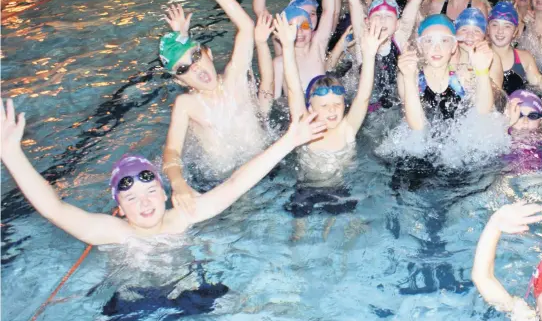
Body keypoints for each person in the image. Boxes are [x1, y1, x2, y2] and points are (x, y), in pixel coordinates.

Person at [0, 97, 326, 245]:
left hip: (188, 287)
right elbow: (53, 208)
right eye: (131, 198)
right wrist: (12, 155)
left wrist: (288, 141)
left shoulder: (182, 215)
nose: (144, 204)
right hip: (134, 299)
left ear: (164, 192)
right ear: (119, 208)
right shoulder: (114, 234)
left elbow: (236, 183)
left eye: (150, 191)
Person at [160, 0, 273, 201]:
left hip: (268, 171)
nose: (195, 67)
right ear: (181, 82)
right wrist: (178, 183)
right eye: (184, 69)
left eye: (197, 56)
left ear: (209, 53)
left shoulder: (235, 78)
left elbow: (246, 26)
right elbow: (171, 151)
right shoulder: (187, 105)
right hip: (220, 186)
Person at [274, 13, 383, 221]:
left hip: (339, 189)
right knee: (299, 228)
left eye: (337, 105)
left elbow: (363, 96)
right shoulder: (305, 127)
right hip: (305, 188)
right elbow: (294, 89)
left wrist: (369, 56)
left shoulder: (348, 128)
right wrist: (288, 48)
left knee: (341, 226)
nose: (332, 111)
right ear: (310, 108)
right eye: (324, 106)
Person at [331, 0, 443, 111]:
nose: (383, 21)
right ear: (367, 21)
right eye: (378, 16)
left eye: (388, 16)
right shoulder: (363, 41)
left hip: (396, 109)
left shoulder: (399, 37)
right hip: (365, 111)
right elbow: (353, 0)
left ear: (397, 23)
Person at [397, 14, 495, 129]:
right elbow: (417, 128)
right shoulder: (409, 75)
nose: (437, 48)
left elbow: (483, 116)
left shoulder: (463, 74)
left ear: (454, 46)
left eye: (444, 40)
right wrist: (408, 78)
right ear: (420, 46)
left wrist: (482, 71)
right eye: (429, 41)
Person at [271, 0, 339, 97]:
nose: (300, 32)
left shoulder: (317, 48)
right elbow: (275, 103)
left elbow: (328, 11)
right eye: (293, 27)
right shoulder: (279, 63)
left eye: (305, 26)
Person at [487, 0, 542, 95]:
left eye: (507, 26)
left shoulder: (524, 58)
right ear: (488, 28)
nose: (500, 31)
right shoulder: (478, 56)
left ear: (515, 31)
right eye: (495, 25)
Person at [451, 8, 504, 90]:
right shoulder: (448, 54)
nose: (470, 36)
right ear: (455, 33)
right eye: (464, 29)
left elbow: (497, 96)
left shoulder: (492, 58)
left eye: (476, 31)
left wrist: (478, 75)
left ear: (484, 36)